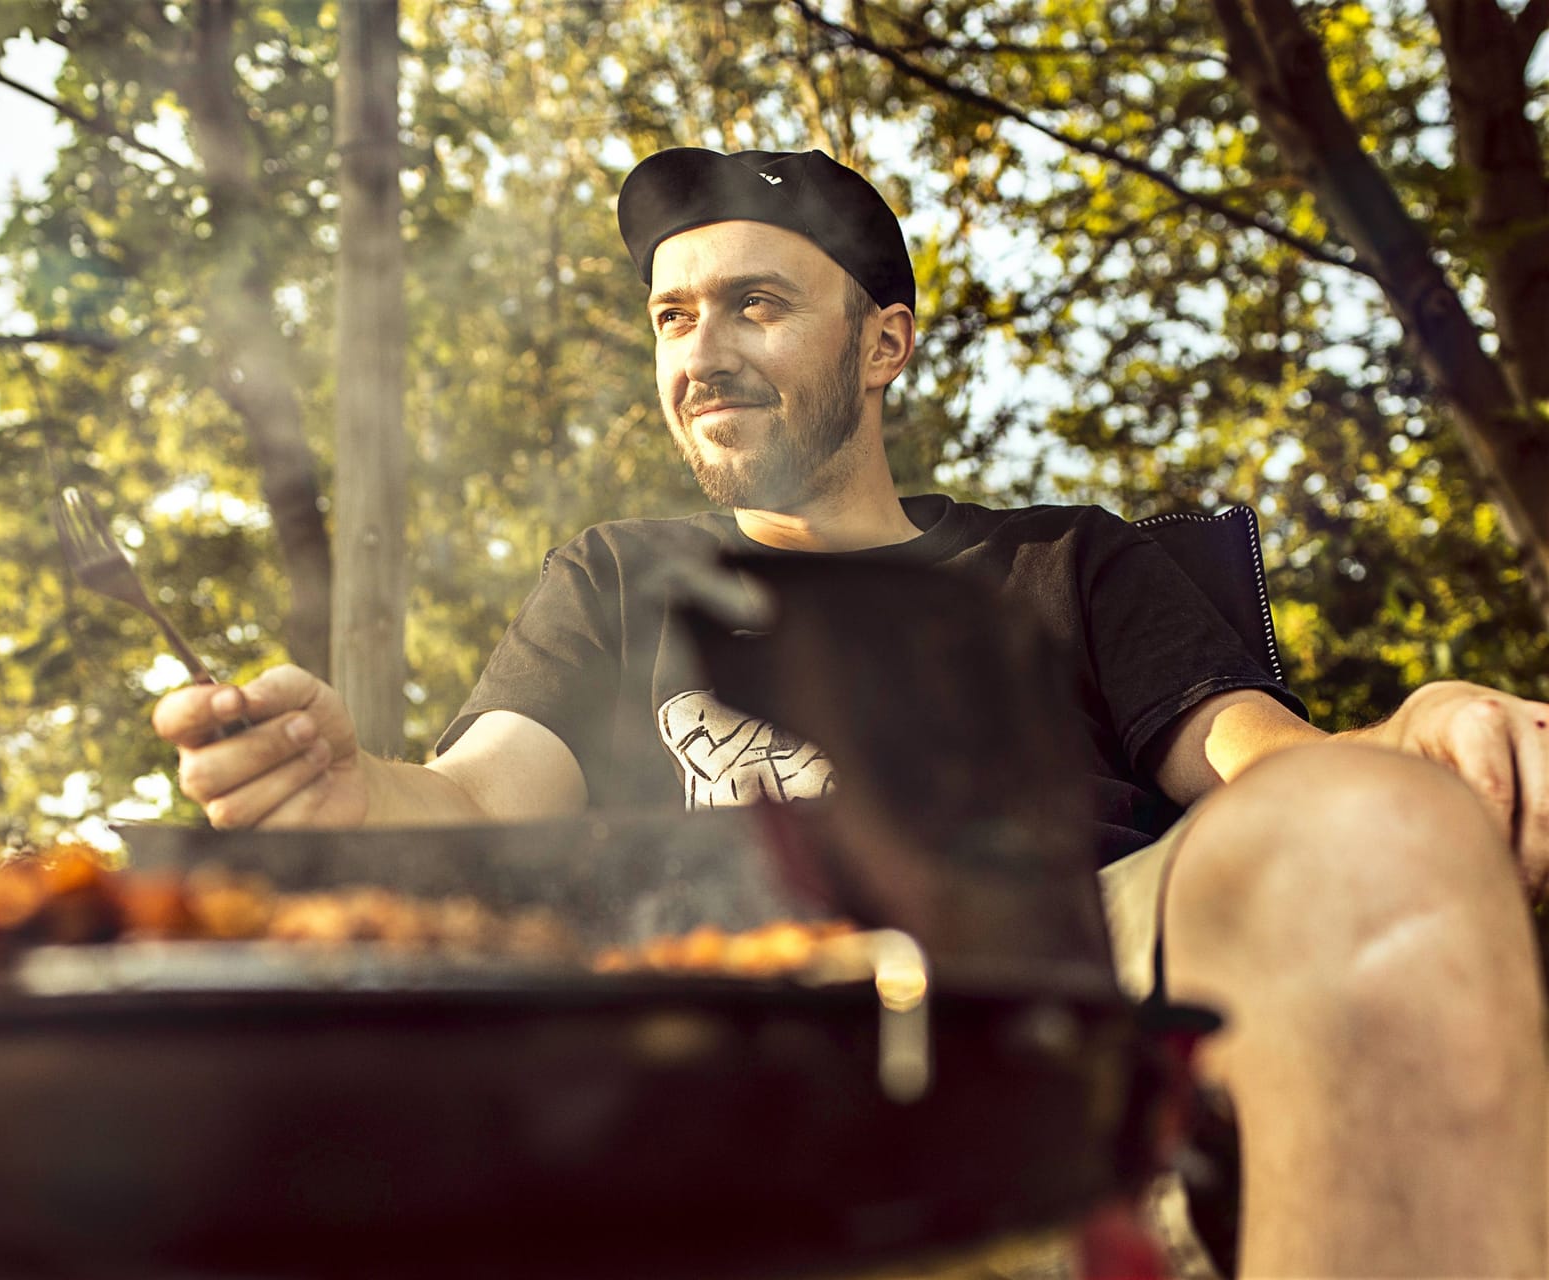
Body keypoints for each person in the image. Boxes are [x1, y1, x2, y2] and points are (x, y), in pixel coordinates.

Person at [155, 148, 1549, 1277]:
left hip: (1068, 993)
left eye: (756, 303)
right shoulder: (622, 581)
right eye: (672, 315)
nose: (700, 350)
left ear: (883, 343)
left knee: (1374, 828)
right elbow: (469, 803)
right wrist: (346, 787)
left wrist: (1422, 737)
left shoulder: (1068, 560)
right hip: (722, 1039)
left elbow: (1277, 779)